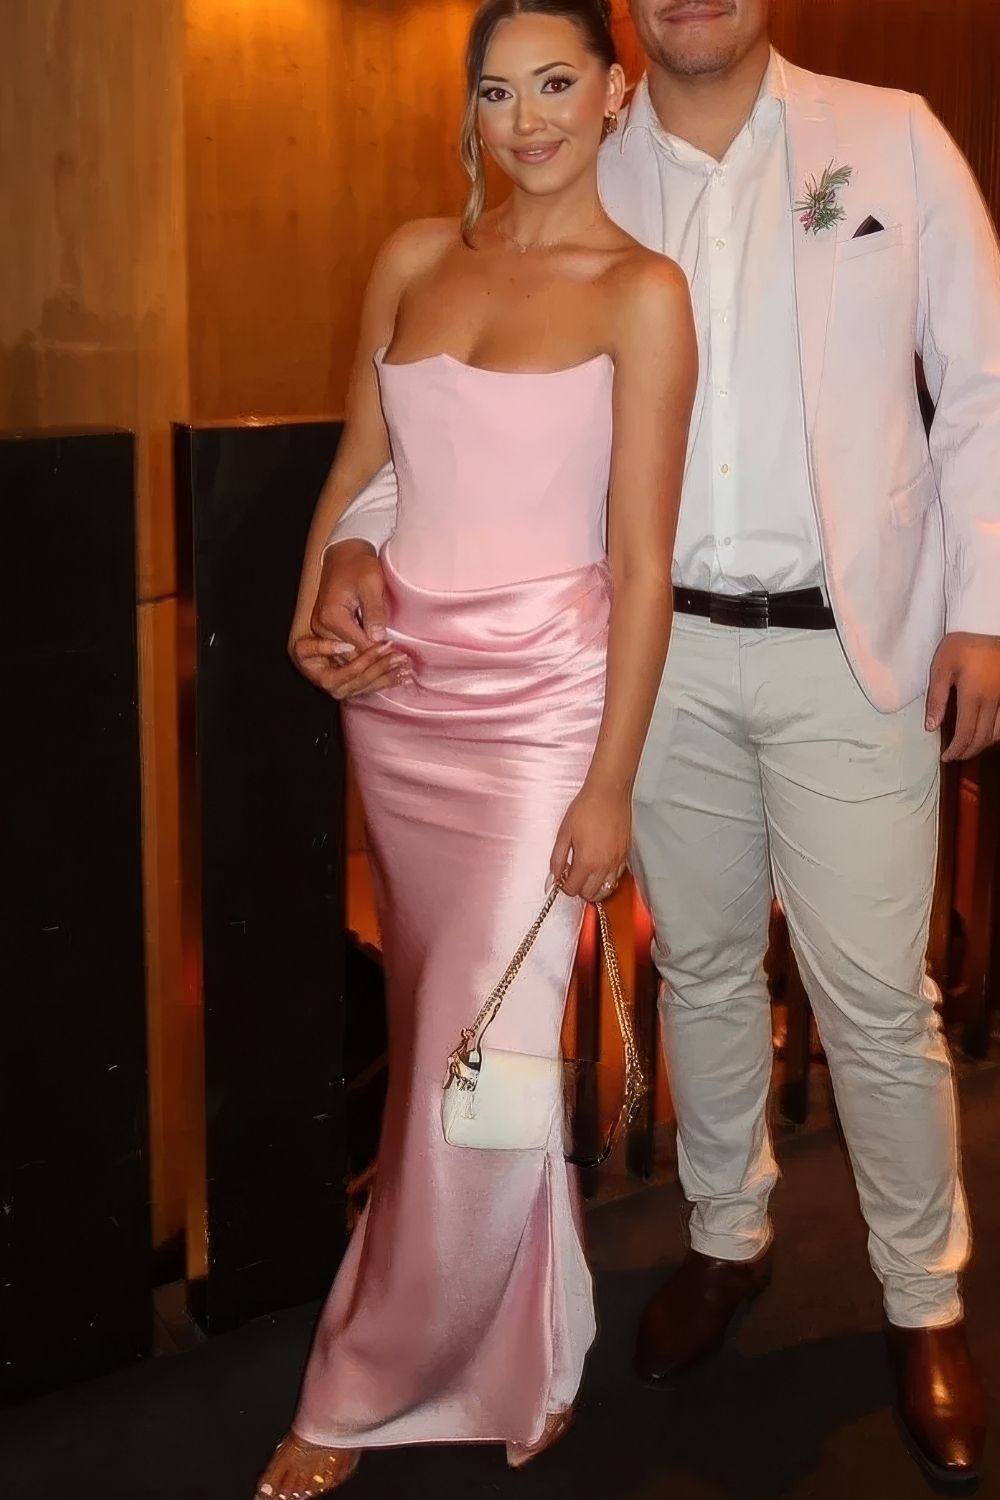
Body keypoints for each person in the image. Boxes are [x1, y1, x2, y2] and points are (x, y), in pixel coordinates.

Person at [315, 0, 1000, 1487]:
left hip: (849, 646)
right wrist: (359, 536)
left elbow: (982, 386)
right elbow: (444, 413)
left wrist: (985, 612)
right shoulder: (577, 151)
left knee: (876, 999)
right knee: (696, 965)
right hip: (650, 650)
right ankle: (727, 1235)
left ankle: (922, 1297)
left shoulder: (889, 139)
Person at [254, 3, 696, 1496]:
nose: (528, 119)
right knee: (449, 1035)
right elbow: (365, 464)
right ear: (471, 109)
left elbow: (643, 562)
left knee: (481, 1039)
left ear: (615, 93)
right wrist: (322, 585)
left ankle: (361, 1380)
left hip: (542, 711)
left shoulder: (643, 293)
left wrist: (611, 780)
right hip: (404, 696)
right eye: (498, 91)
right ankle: (529, 1342)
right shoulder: (409, 258)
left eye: (558, 83)